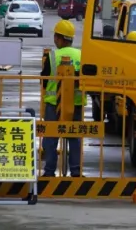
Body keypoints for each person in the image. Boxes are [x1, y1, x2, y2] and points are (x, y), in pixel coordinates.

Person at [40, 19, 84, 177]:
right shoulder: (81, 55)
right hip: (76, 104)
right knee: (74, 137)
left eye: (55, 37)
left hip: (53, 105)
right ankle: (76, 171)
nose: (55, 40)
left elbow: (43, 79)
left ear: (60, 38)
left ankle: (49, 172)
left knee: (51, 138)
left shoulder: (52, 56)